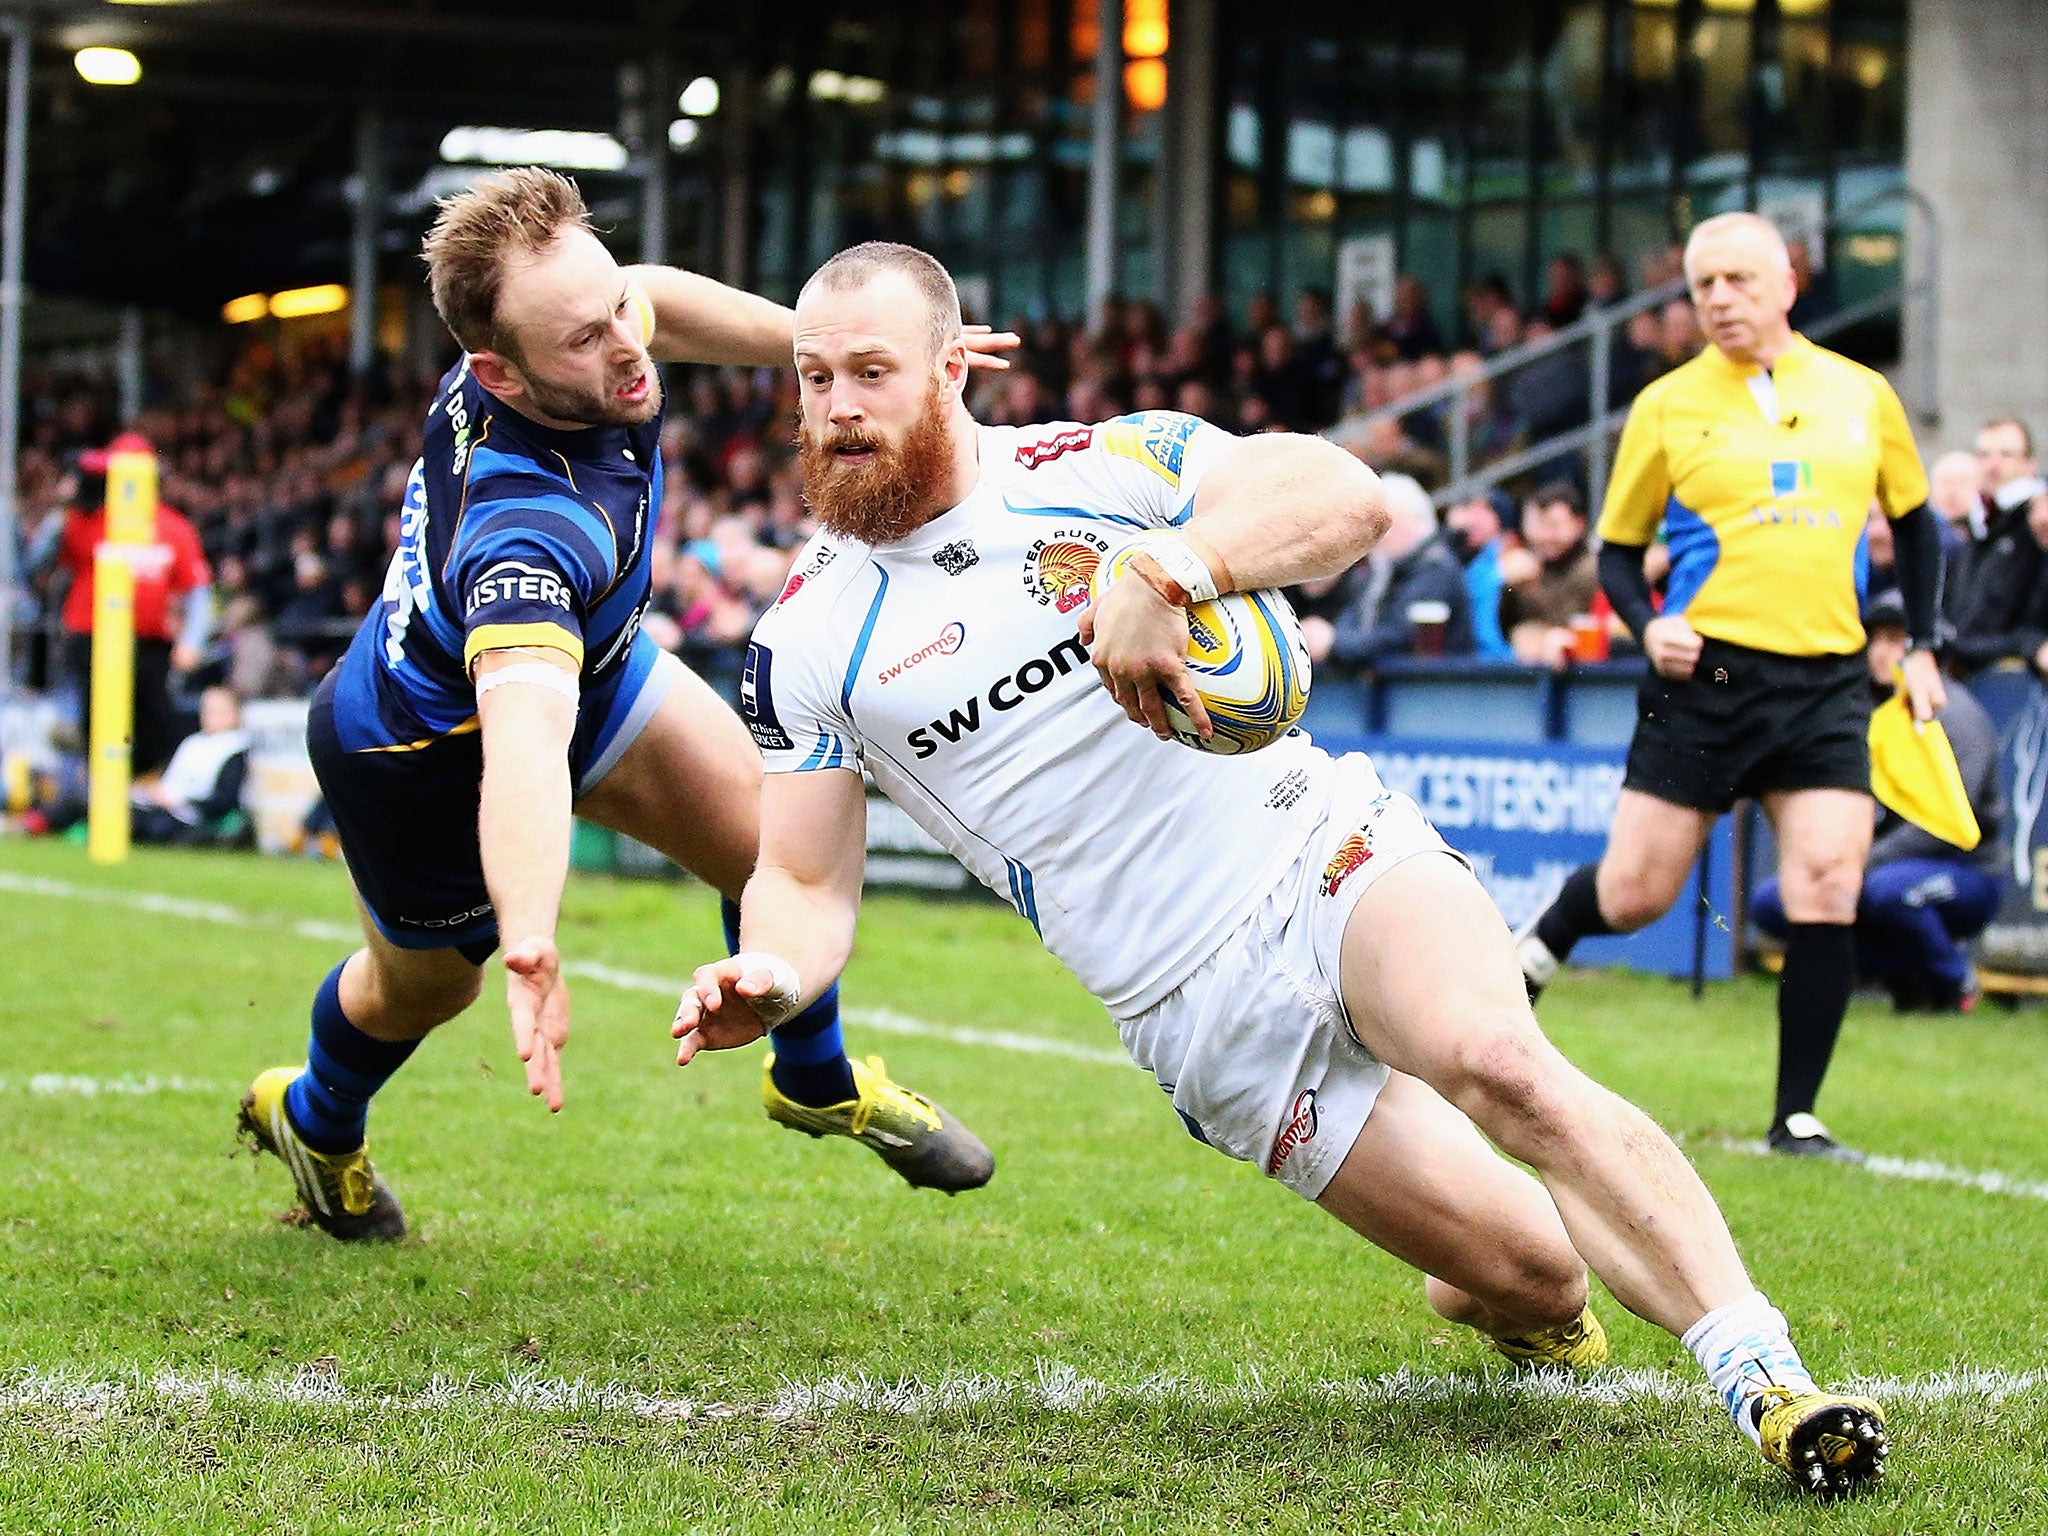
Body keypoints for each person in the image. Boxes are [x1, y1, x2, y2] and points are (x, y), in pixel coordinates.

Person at [672, 240, 1892, 1496]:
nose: (836, 410)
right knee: (1538, 1273)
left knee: (1498, 1062)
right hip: (1190, 1009)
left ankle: (1767, 1382)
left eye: (869, 372)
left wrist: (1168, 566)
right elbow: (807, 883)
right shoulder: (802, 640)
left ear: (955, 365)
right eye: (813, 380)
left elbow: (1341, 494)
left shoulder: (1097, 467)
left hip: (1317, 849)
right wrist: (767, 972)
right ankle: (1513, 1296)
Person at [235, 169, 1016, 1243]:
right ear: (495, 370)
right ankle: (315, 1121)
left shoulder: (582, 325)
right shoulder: (526, 534)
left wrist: (829, 350)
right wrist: (530, 934)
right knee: (419, 996)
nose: (627, 345)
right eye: (586, 338)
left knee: (772, 845)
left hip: (595, 672)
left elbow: (653, 296)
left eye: (612, 310)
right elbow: (520, 749)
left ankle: (813, 1079)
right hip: (419, 755)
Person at [1514, 212, 1946, 1163]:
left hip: (1828, 680)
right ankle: (1533, 950)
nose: (1717, 300)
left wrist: (1922, 643)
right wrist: (1646, 621)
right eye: (1702, 284)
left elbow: (1916, 526)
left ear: (1788, 283)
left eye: (1738, 281)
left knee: (1830, 880)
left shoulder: (1863, 394)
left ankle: (1797, 1117)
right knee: (1634, 895)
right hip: (1705, 677)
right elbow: (1618, 555)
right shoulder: (1666, 405)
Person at [1752, 591, 2004, 1013]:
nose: (1885, 653)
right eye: (1878, 639)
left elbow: (1951, 823)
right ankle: (1898, 973)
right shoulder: (1861, 713)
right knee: (1774, 902)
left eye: (1899, 640)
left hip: (1966, 869)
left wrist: (1866, 857)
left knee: (1890, 892)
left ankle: (1954, 979)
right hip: (1877, 863)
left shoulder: (1958, 717)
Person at [51, 434, 212, 776]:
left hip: (149, 642)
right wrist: (68, 500)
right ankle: (94, 793)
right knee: (96, 722)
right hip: (92, 636)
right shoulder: (86, 518)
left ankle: (142, 795)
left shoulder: (173, 527)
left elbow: (198, 590)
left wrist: (192, 641)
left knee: (152, 724)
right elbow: (45, 560)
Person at [1320, 473, 1475, 666]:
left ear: (1413, 520)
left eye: (1381, 526)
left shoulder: (1436, 568)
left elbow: (1402, 636)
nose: (1373, 536)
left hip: (1433, 690)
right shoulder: (1380, 569)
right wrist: (1328, 637)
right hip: (1391, 690)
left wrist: (1334, 644)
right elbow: (1353, 617)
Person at [1943, 416, 2048, 678]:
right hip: (1969, 673)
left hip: (2019, 678)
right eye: (1985, 455)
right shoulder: (1974, 528)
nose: (1993, 465)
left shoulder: (2036, 525)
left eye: (2006, 455)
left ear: (2029, 464)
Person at [129, 685, 252, 845]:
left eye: (217, 711)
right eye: (207, 710)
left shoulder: (236, 748)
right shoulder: (193, 742)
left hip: (196, 815)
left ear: (235, 714)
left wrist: (180, 801)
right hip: (164, 806)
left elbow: (224, 799)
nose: (209, 716)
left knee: (156, 826)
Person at [1498, 482, 1597, 667]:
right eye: (1536, 525)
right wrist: (1508, 586)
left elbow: (1574, 621)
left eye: (1553, 525)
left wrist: (1531, 590)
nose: (1545, 536)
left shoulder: (1592, 569)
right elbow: (1507, 628)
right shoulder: (1523, 562)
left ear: (1579, 523)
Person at [1443, 487, 1518, 661]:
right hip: (1466, 659)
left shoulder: (1510, 556)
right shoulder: (1456, 555)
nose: (1471, 519)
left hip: (1502, 663)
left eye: (1483, 511)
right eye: (1469, 509)